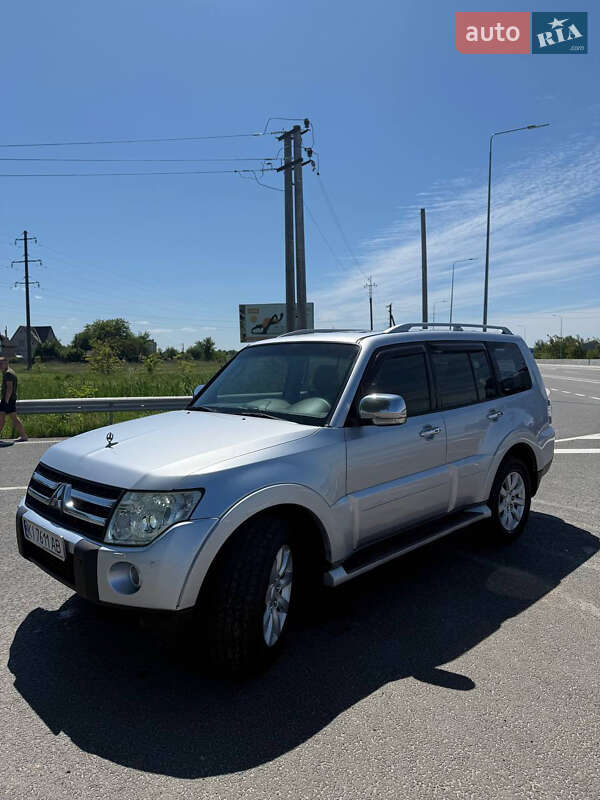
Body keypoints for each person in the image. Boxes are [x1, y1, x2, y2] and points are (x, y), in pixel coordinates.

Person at [0, 356, 28, 442]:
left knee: (9, 418)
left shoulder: (8, 373)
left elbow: (10, 388)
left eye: (1, 363)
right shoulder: (7, 372)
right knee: (3, 417)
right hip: (8, 399)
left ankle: (24, 436)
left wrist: (6, 401)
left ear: (6, 363)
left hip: (8, 400)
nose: (0, 365)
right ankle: (23, 436)